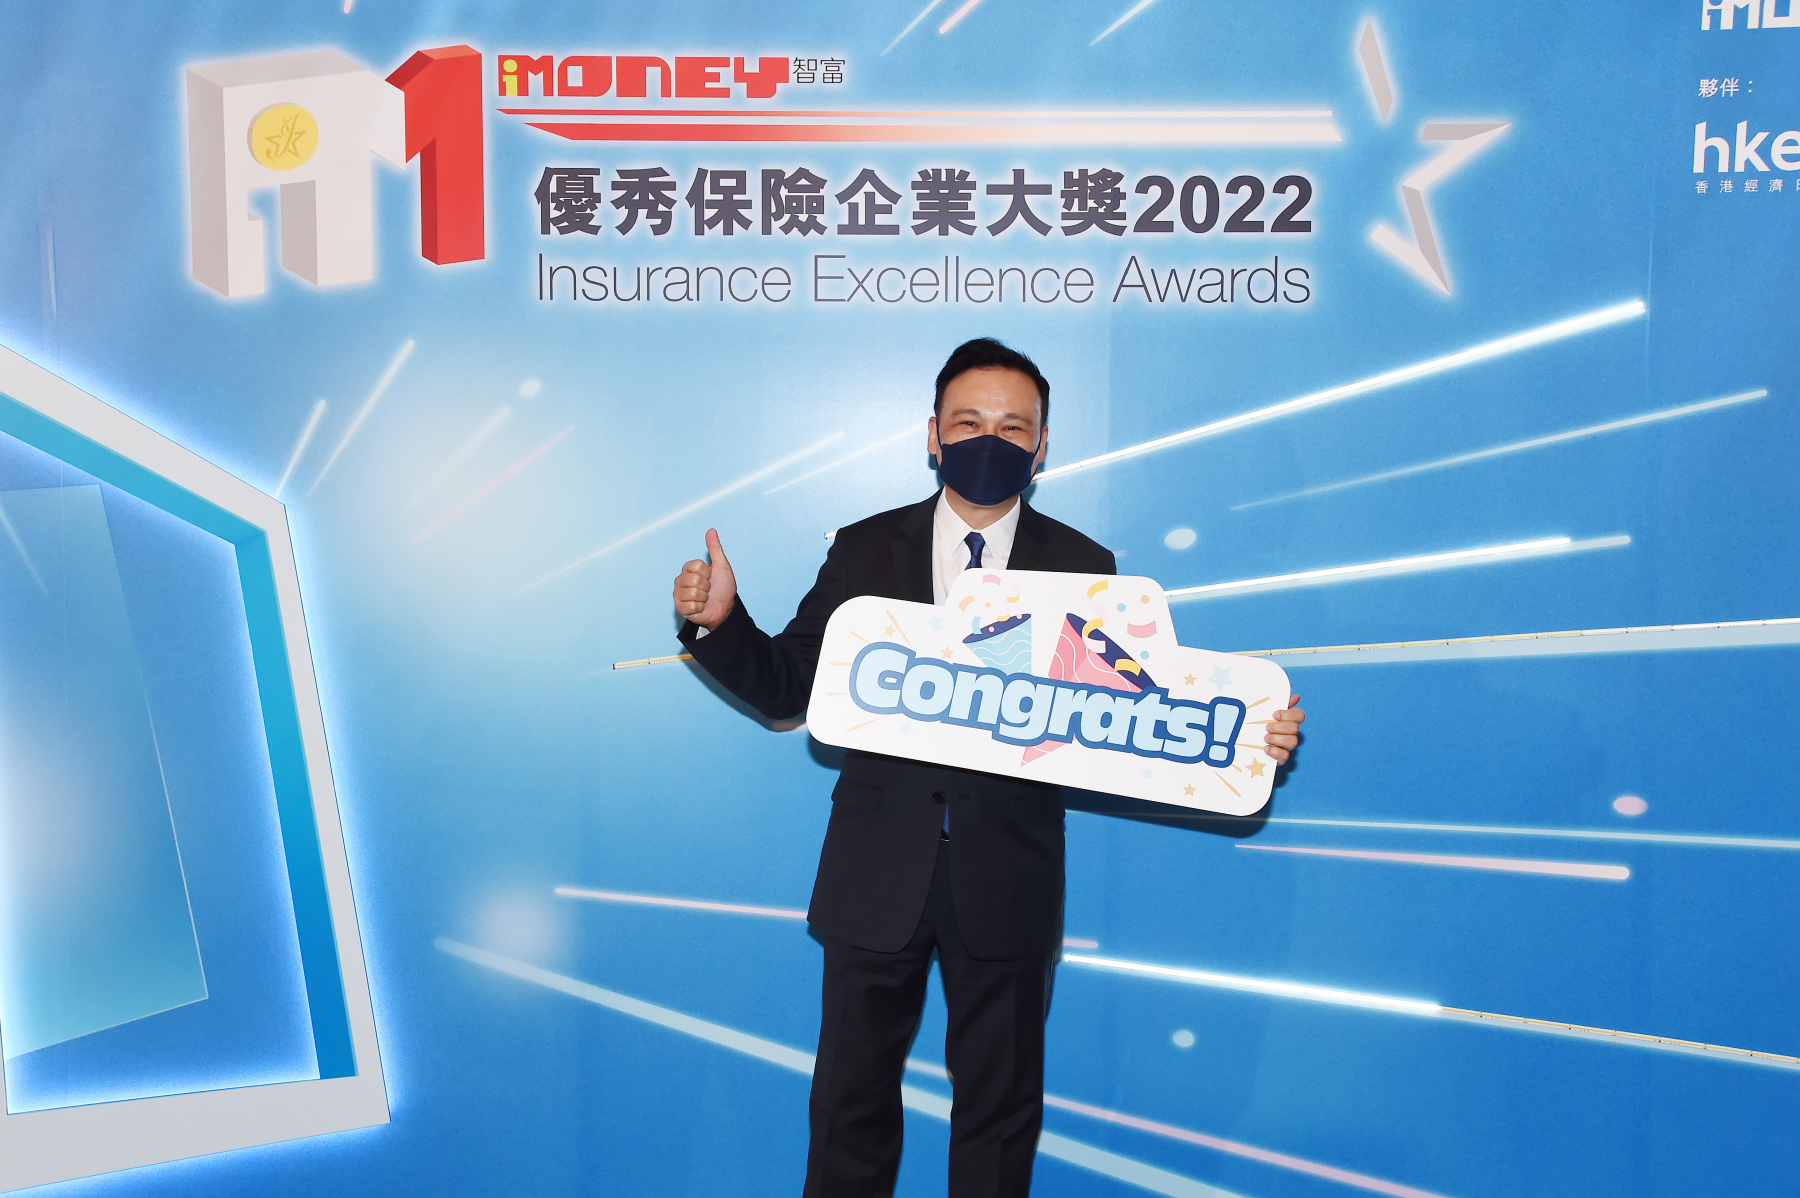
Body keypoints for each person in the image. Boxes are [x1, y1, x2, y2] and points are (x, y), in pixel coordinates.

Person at [671, 338, 1306, 1197]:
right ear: (932, 435)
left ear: (1041, 447)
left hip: (1009, 880)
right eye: (969, 422)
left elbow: (1141, 717)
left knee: (999, 1121)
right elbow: (790, 687)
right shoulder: (865, 549)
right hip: (875, 873)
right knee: (849, 1106)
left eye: (1013, 428)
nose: (989, 441)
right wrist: (721, 624)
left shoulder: (1087, 568)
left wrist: (1246, 737)